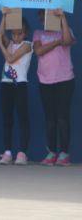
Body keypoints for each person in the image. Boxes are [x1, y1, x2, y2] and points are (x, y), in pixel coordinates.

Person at [33, 9, 75, 166]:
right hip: (45, 81)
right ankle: (51, 152)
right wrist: (57, 42)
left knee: (62, 118)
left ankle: (64, 154)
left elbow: (67, 41)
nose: (42, 19)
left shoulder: (66, 30)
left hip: (65, 80)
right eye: (40, 16)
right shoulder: (38, 33)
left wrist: (62, 17)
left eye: (45, 15)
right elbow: (38, 50)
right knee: (50, 119)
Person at [0, 10, 32, 165]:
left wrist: (0, 45)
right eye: (14, 33)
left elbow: (10, 58)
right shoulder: (10, 43)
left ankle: (22, 153)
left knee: (22, 118)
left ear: (25, 33)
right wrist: (4, 16)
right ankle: (7, 152)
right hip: (6, 84)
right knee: (7, 119)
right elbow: (1, 33)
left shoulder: (27, 45)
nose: (17, 36)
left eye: (20, 33)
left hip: (20, 85)